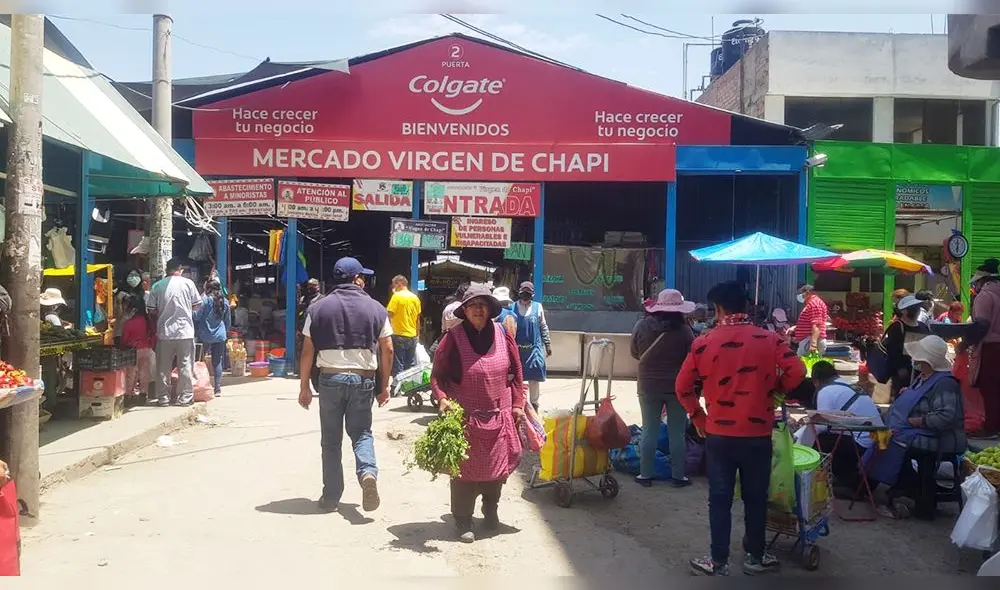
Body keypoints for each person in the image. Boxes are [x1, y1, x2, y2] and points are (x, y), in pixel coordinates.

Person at [675, 280, 806, 576]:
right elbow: (797, 371)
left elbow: (683, 387)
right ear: (746, 306)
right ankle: (754, 558)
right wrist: (776, 391)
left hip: (719, 435)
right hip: (758, 435)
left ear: (718, 309)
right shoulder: (769, 339)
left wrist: (698, 417)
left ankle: (717, 561)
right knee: (756, 497)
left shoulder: (703, 342)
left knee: (719, 499)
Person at [430, 284, 525, 543]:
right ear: (465, 310)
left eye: (483, 305)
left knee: (496, 469)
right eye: (473, 305)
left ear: (491, 309)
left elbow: (517, 373)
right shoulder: (453, 338)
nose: (478, 310)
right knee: (464, 471)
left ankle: (490, 509)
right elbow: (437, 375)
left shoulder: (503, 334)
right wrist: (442, 399)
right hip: (465, 417)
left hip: (499, 413)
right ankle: (462, 520)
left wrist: (517, 404)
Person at [298, 257, 392, 514]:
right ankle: (367, 475)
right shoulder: (376, 308)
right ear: (355, 278)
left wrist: (304, 387)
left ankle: (330, 497)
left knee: (330, 441)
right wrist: (384, 385)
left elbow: (307, 351)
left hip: (330, 378)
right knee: (361, 433)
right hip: (363, 378)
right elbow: (388, 349)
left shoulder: (317, 309)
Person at [868, 336, 966, 520]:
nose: (916, 360)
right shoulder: (922, 377)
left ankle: (906, 491)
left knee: (895, 440)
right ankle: (873, 483)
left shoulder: (945, 383)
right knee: (878, 437)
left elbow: (946, 416)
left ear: (927, 361)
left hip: (940, 438)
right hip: (916, 430)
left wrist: (920, 421)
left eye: (920, 358)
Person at [630, 289, 696, 488]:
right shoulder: (685, 331)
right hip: (677, 386)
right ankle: (678, 476)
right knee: (677, 432)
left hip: (648, 385)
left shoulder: (642, 325)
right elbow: (692, 357)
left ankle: (645, 475)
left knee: (649, 429)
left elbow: (634, 352)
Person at [795, 361, 884, 491]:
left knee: (821, 440)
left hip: (865, 443)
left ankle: (836, 478)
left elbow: (821, 426)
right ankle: (845, 477)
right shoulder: (847, 385)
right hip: (880, 440)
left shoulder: (826, 391)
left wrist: (799, 433)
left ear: (816, 381)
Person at [148, 258, 201, 407]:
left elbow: (151, 310)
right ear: (180, 269)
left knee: (163, 367)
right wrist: (186, 310)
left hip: (165, 333)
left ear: (167, 269)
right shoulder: (188, 284)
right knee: (185, 365)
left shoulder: (157, 286)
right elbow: (197, 305)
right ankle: (185, 397)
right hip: (185, 332)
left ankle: (163, 397)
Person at [971, 258, 1000, 435]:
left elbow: (982, 324)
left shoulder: (985, 296)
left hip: (991, 348)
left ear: (982, 281)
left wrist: (967, 341)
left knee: (990, 389)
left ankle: (991, 428)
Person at [512, 281, 550, 412]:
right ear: (519, 293)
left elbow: (543, 326)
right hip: (517, 350)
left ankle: (534, 405)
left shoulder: (538, 307)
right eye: (524, 293)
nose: (526, 296)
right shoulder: (512, 308)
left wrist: (547, 343)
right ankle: (518, 404)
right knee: (517, 378)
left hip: (534, 349)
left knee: (534, 376)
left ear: (532, 295)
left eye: (528, 294)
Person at [884, 295, 932, 398]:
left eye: (918, 307)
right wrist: (900, 369)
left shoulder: (923, 327)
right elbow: (893, 352)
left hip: (921, 372)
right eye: (914, 308)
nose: (917, 310)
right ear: (905, 311)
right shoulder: (897, 327)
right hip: (903, 373)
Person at [194, 279, 232, 398]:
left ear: (208, 289)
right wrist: (224, 332)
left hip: (205, 335)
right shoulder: (225, 301)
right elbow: (228, 321)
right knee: (217, 361)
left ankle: (199, 385)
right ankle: (218, 389)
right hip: (220, 335)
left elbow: (197, 316)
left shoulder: (205, 301)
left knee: (199, 361)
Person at [120, 295, 156, 403]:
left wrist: (123, 347)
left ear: (133, 309)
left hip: (133, 350)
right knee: (144, 372)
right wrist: (150, 345)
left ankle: (127, 395)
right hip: (146, 349)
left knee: (131, 374)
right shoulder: (147, 320)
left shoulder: (129, 323)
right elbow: (153, 335)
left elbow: (124, 339)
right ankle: (143, 394)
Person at [386, 275, 422, 377]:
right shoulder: (415, 298)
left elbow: (389, 315)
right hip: (412, 336)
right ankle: (409, 389)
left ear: (399, 284)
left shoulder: (396, 297)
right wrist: (417, 335)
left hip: (399, 335)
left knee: (398, 365)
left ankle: (398, 390)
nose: (393, 288)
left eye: (394, 285)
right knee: (410, 365)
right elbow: (418, 319)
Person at [793, 284, 829, 356]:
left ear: (807, 293)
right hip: (809, 340)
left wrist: (813, 344)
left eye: (800, 294)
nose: (799, 296)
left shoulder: (814, 304)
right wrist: (795, 328)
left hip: (809, 340)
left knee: (803, 365)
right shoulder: (814, 303)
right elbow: (811, 322)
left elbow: (817, 324)